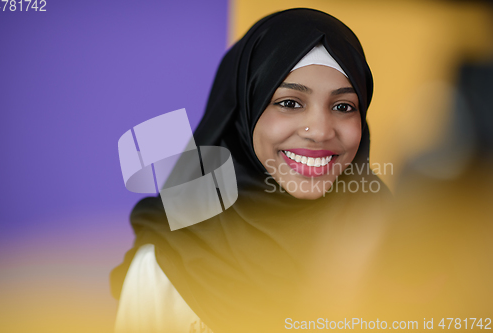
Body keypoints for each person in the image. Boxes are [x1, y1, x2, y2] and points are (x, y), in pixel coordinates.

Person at [111, 8, 390, 333]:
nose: (320, 131)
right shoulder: (168, 263)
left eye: (343, 107)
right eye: (290, 102)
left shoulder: (402, 242)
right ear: (244, 110)